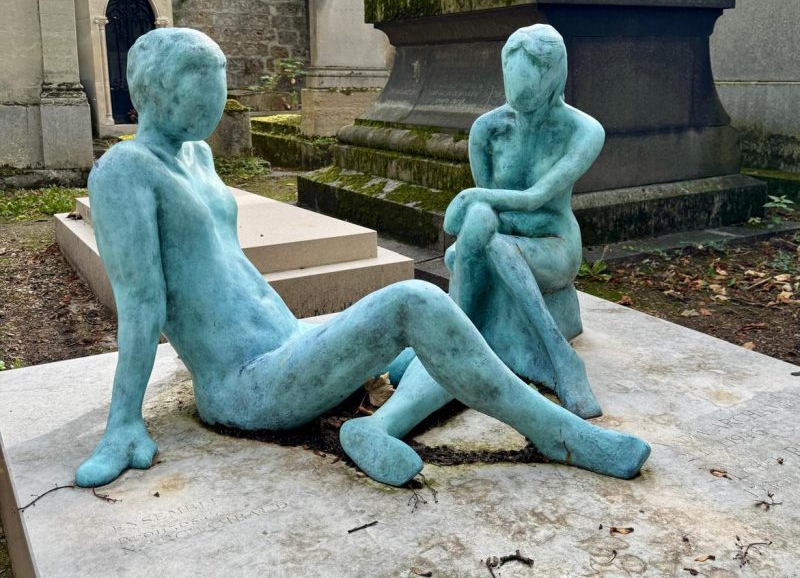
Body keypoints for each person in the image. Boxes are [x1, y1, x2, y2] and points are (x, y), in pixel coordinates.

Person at [76, 28, 650, 490]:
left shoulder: (197, 156)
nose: (220, 96)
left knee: (450, 334)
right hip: (249, 385)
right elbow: (141, 303)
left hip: (288, 339)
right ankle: (556, 433)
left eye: (220, 79)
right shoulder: (124, 172)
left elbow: (220, 274)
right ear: (159, 89)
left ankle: (385, 420)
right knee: (416, 301)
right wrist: (123, 422)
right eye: (205, 82)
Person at [353, 25, 607, 470]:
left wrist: (473, 201)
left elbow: (535, 198)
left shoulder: (583, 130)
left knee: (492, 240)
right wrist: (477, 213)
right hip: (497, 241)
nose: (518, 102)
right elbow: (486, 214)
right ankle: (465, 335)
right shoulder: (488, 129)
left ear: (554, 78)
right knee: (483, 228)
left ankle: (552, 355)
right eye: (511, 87)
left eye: (529, 93)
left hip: (553, 245)